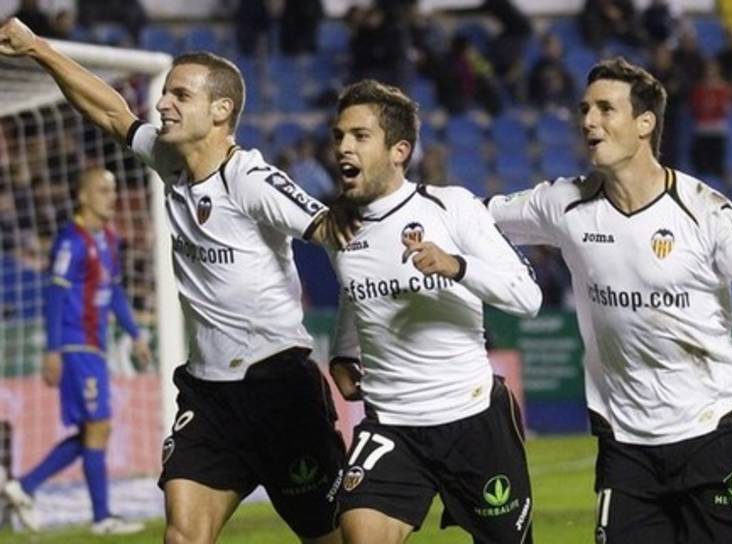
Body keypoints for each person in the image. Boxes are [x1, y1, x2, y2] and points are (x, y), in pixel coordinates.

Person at [0, 17, 348, 544]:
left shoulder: (251, 180)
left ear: (221, 110)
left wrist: (353, 340)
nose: (162, 103)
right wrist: (38, 49)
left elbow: (332, 231)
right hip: (209, 396)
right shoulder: (170, 160)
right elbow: (111, 112)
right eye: (165, 93)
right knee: (182, 536)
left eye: (180, 95)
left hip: (278, 389)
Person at [487, 57, 732, 543]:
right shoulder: (564, 203)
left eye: (605, 109)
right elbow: (473, 218)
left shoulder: (704, 211)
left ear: (645, 123)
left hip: (715, 430)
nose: (589, 121)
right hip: (625, 443)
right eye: (585, 109)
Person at [327, 79, 541, 543]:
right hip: (392, 426)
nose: (343, 147)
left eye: (360, 136)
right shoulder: (340, 229)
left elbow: (528, 297)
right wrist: (342, 352)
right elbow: (355, 292)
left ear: (399, 150)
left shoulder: (452, 207)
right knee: (359, 534)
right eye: (339, 135)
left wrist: (457, 266)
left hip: (472, 420)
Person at [2, 167, 152, 535]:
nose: (112, 197)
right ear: (83, 196)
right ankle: (100, 517)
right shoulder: (71, 241)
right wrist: (53, 350)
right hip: (74, 344)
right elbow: (55, 295)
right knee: (98, 426)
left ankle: (25, 486)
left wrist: (135, 333)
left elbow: (114, 291)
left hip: (94, 345)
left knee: (93, 430)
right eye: (103, 190)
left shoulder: (109, 238)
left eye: (113, 190)